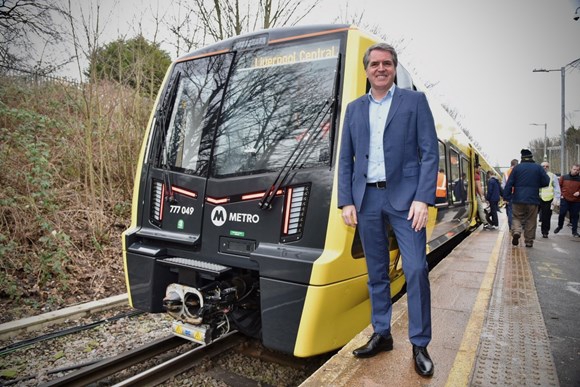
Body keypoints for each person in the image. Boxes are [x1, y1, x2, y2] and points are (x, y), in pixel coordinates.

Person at [338, 42, 438, 377]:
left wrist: (423, 198)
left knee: (415, 269)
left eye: (387, 63)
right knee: (376, 272)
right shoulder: (354, 109)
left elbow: (429, 153)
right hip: (366, 199)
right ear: (366, 70)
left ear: (394, 68)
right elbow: (345, 159)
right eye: (374, 64)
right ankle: (382, 333)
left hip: (408, 200)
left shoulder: (414, 102)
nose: (380, 69)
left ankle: (420, 343)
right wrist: (346, 200)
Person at [503, 149, 550, 247]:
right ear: (531, 157)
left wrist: (506, 197)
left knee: (516, 217)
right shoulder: (538, 168)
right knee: (531, 220)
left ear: (522, 158)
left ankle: (516, 231)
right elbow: (546, 181)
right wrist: (536, 185)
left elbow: (509, 183)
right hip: (533, 199)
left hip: (518, 198)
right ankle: (529, 241)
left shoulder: (517, 168)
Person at [553, 164, 580, 237]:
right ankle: (560, 226)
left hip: (576, 201)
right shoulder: (564, 177)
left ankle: (574, 232)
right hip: (565, 199)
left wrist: (579, 192)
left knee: (575, 216)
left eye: (577, 170)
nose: (576, 171)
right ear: (571, 169)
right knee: (562, 213)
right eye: (574, 169)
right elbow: (558, 187)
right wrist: (560, 195)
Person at [538, 161, 560, 238]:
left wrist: (556, 198)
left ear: (549, 167)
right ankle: (530, 231)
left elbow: (557, 188)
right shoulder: (536, 174)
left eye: (547, 166)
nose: (545, 167)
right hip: (536, 198)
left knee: (546, 217)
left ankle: (545, 232)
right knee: (531, 216)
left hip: (548, 199)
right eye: (543, 166)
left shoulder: (552, 176)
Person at [502, 159, 518, 230]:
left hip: (509, 194)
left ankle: (511, 227)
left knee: (510, 211)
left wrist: (505, 197)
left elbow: (503, 186)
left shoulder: (506, 173)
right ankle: (517, 227)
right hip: (518, 194)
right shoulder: (518, 172)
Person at [475, 163, 491, 229]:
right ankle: (485, 223)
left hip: (474, 194)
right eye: (479, 168)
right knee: (481, 209)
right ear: (475, 168)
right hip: (477, 195)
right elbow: (479, 187)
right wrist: (482, 196)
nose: (480, 170)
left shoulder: (472, 175)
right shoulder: (477, 176)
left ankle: (458, 218)